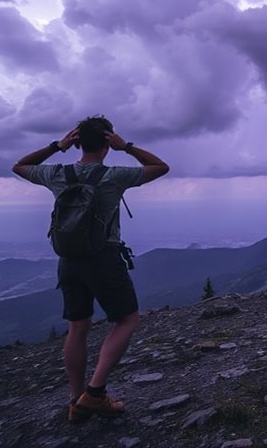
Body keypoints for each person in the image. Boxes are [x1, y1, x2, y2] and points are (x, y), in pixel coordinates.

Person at [12, 115, 169, 423]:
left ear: (77, 141)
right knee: (127, 320)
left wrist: (57, 146)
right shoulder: (113, 175)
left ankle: (76, 401)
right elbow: (160, 167)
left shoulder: (57, 173)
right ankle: (95, 394)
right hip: (103, 258)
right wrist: (128, 147)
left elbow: (19, 166)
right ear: (109, 141)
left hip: (68, 261)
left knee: (78, 327)